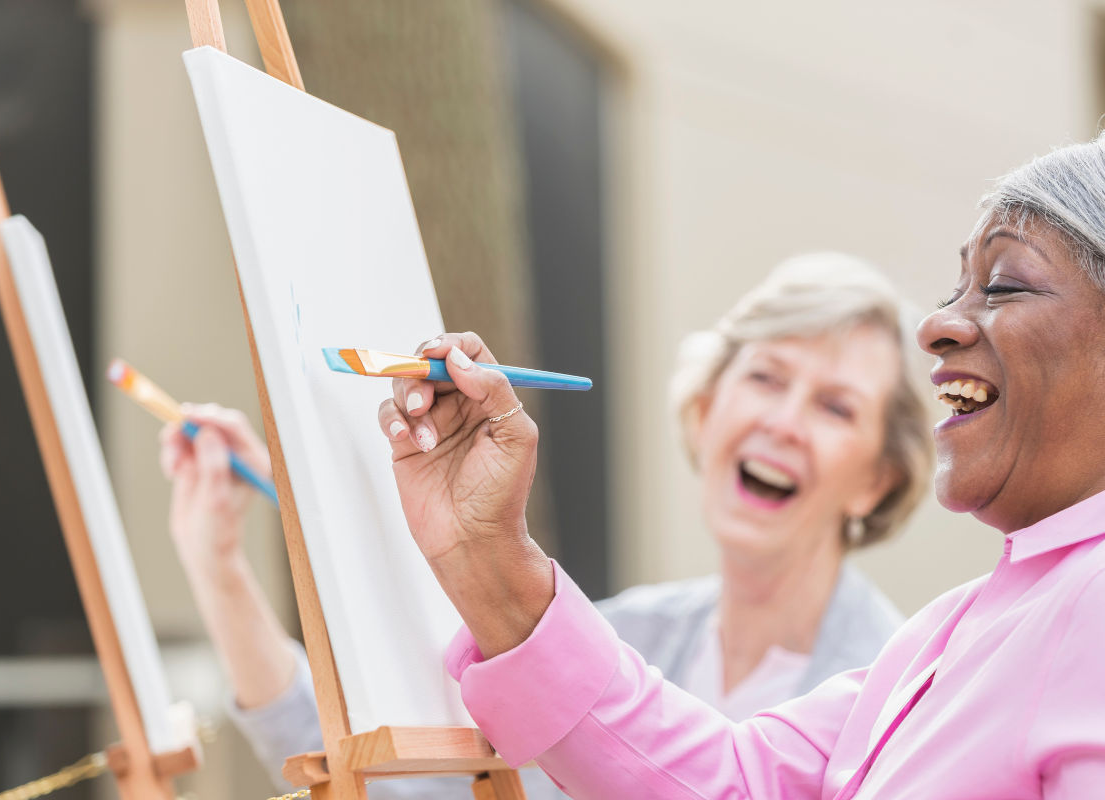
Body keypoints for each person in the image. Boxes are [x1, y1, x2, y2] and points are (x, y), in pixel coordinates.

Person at [377, 123, 1105, 799]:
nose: (937, 324)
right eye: (955, 283)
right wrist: (484, 554)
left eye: (1004, 284)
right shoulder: (976, 620)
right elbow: (726, 780)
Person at [160, 254, 933, 795]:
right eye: (764, 377)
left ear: (878, 477)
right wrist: (220, 568)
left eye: (835, 407)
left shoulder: (898, 696)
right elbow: (405, 789)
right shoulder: (615, 639)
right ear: (706, 408)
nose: (784, 423)